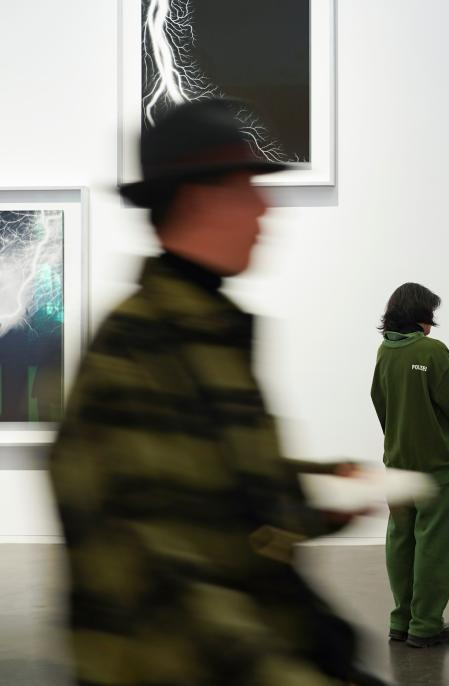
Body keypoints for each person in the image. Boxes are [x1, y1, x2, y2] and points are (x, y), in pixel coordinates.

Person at [48, 99, 386, 685]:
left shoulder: (204, 330)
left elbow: (221, 489)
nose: (265, 207)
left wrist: (318, 492)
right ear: (199, 197)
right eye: (246, 186)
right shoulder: (137, 351)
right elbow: (169, 577)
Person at [370, 283, 449, 648]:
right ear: (421, 316)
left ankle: (401, 620)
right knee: (434, 544)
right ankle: (426, 624)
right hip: (437, 467)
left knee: (401, 540)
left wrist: (398, 438)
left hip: (397, 465)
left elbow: (380, 402)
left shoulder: (385, 350)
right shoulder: (433, 352)